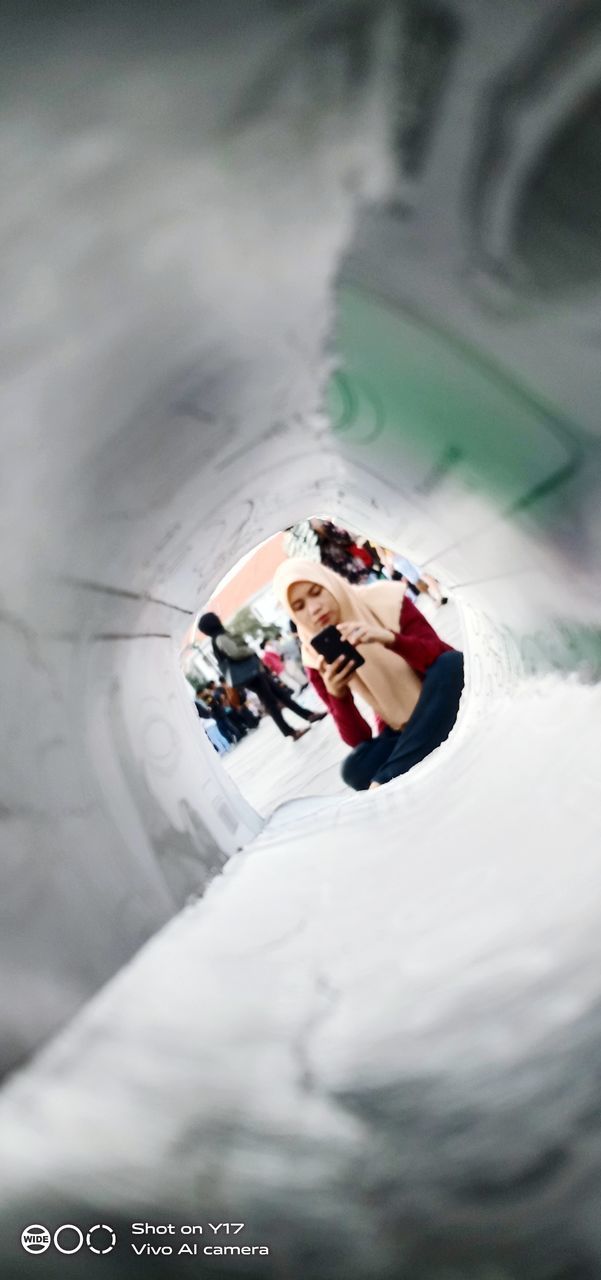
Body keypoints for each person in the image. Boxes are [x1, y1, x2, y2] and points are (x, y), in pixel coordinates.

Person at [271, 559, 464, 790]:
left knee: (452, 664)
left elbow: (439, 655)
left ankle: (388, 777)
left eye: (316, 592)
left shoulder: (385, 600)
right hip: (401, 726)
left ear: (330, 584)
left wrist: (391, 639)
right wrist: (338, 695)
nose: (314, 609)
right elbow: (358, 739)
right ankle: (422, 745)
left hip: (440, 695)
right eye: (299, 606)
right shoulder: (314, 657)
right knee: (354, 768)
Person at [198, 612, 326, 741]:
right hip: (251, 675)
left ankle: (308, 716)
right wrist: (250, 650)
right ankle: (290, 731)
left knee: (280, 694)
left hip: (251, 674)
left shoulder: (217, 639)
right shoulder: (220, 637)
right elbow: (235, 653)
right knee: (271, 702)